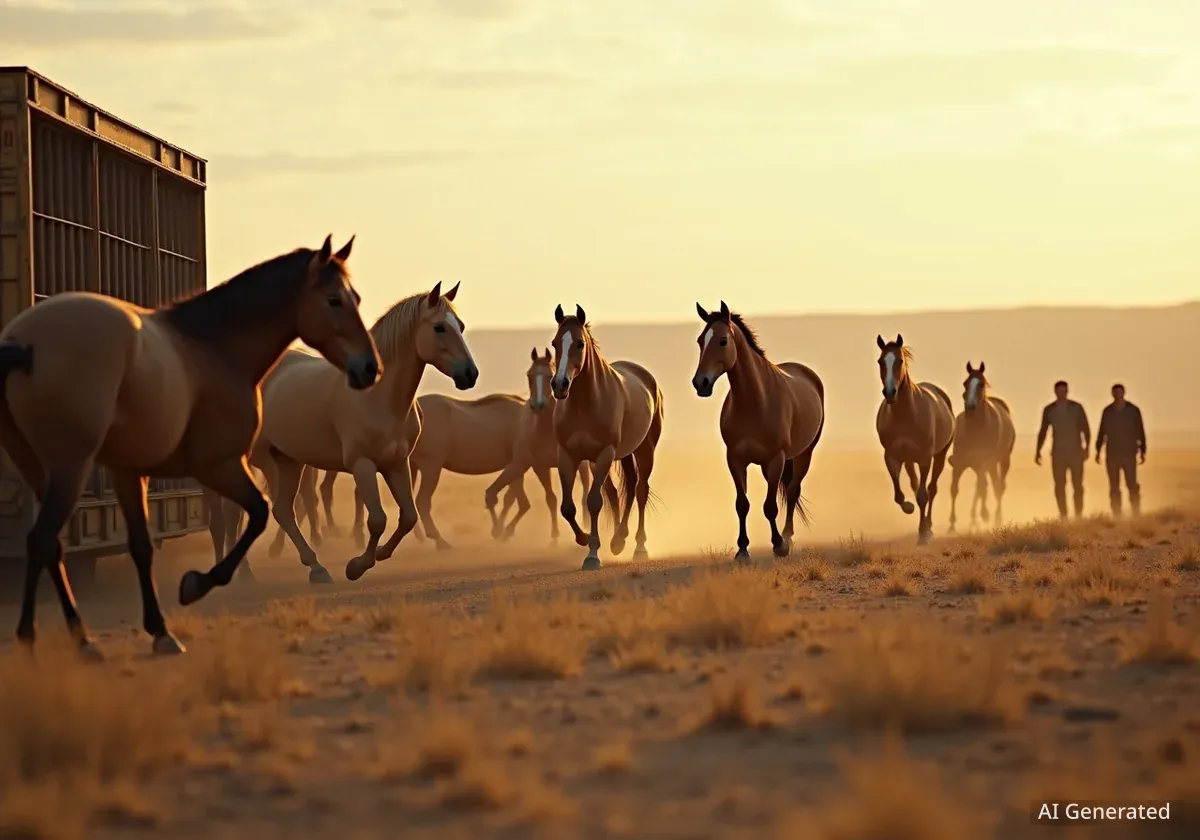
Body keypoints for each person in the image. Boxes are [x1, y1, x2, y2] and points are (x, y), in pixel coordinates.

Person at [1035, 380, 1090, 519]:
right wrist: (1038, 451)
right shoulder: (1049, 410)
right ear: (1055, 392)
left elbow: (1086, 429)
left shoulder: (1077, 408)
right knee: (1059, 485)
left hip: (1076, 452)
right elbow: (1043, 431)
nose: (1062, 394)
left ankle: (1078, 515)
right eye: (1059, 391)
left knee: (1078, 485)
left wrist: (1087, 448)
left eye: (1064, 391)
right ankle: (1063, 514)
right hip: (1058, 453)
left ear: (1067, 391)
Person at [1095, 383, 1147, 517]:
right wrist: (1098, 450)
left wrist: (1143, 450)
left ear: (1124, 393)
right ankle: (1117, 514)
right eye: (1115, 393)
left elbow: (1140, 430)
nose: (1118, 395)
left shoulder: (1133, 410)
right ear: (1112, 394)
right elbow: (1102, 431)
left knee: (1132, 484)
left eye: (1120, 392)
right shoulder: (1107, 412)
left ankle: (1136, 512)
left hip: (1129, 453)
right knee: (1114, 486)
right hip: (1112, 453)